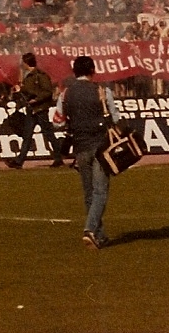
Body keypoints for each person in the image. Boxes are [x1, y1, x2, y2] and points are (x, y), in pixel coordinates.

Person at [55, 55, 120, 249]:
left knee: (89, 192)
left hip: (80, 146)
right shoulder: (102, 91)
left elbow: (57, 123)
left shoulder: (65, 93)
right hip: (101, 146)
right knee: (100, 191)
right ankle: (90, 229)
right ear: (93, 70)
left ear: (74, 72)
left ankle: (99, 235)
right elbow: (115, 118)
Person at [5, 52, 65, 169]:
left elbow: (47, 92)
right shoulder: (28, 76)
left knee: (49, 135)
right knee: (27, 136)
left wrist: (35, 99)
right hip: (31, 110)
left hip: (40, 109)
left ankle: (58, 158)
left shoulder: (41, 75)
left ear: (26, 63)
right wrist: (20, 91)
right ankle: (19, 161)